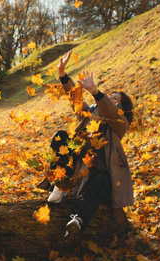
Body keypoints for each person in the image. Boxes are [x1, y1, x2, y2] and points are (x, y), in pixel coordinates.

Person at [47, 50, 134, 239]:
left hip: (100, 175)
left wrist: (96, 91)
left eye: (115, 98)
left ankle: (77, 221)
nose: (110, 98)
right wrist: (62, 74)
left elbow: (111, 112)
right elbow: (77, 100)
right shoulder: (91, 114)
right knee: (61, 136)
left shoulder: (120, 124)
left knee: (96, 184)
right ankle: (60, 184)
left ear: (122, 107)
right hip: (78, 169)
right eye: (109, 95)